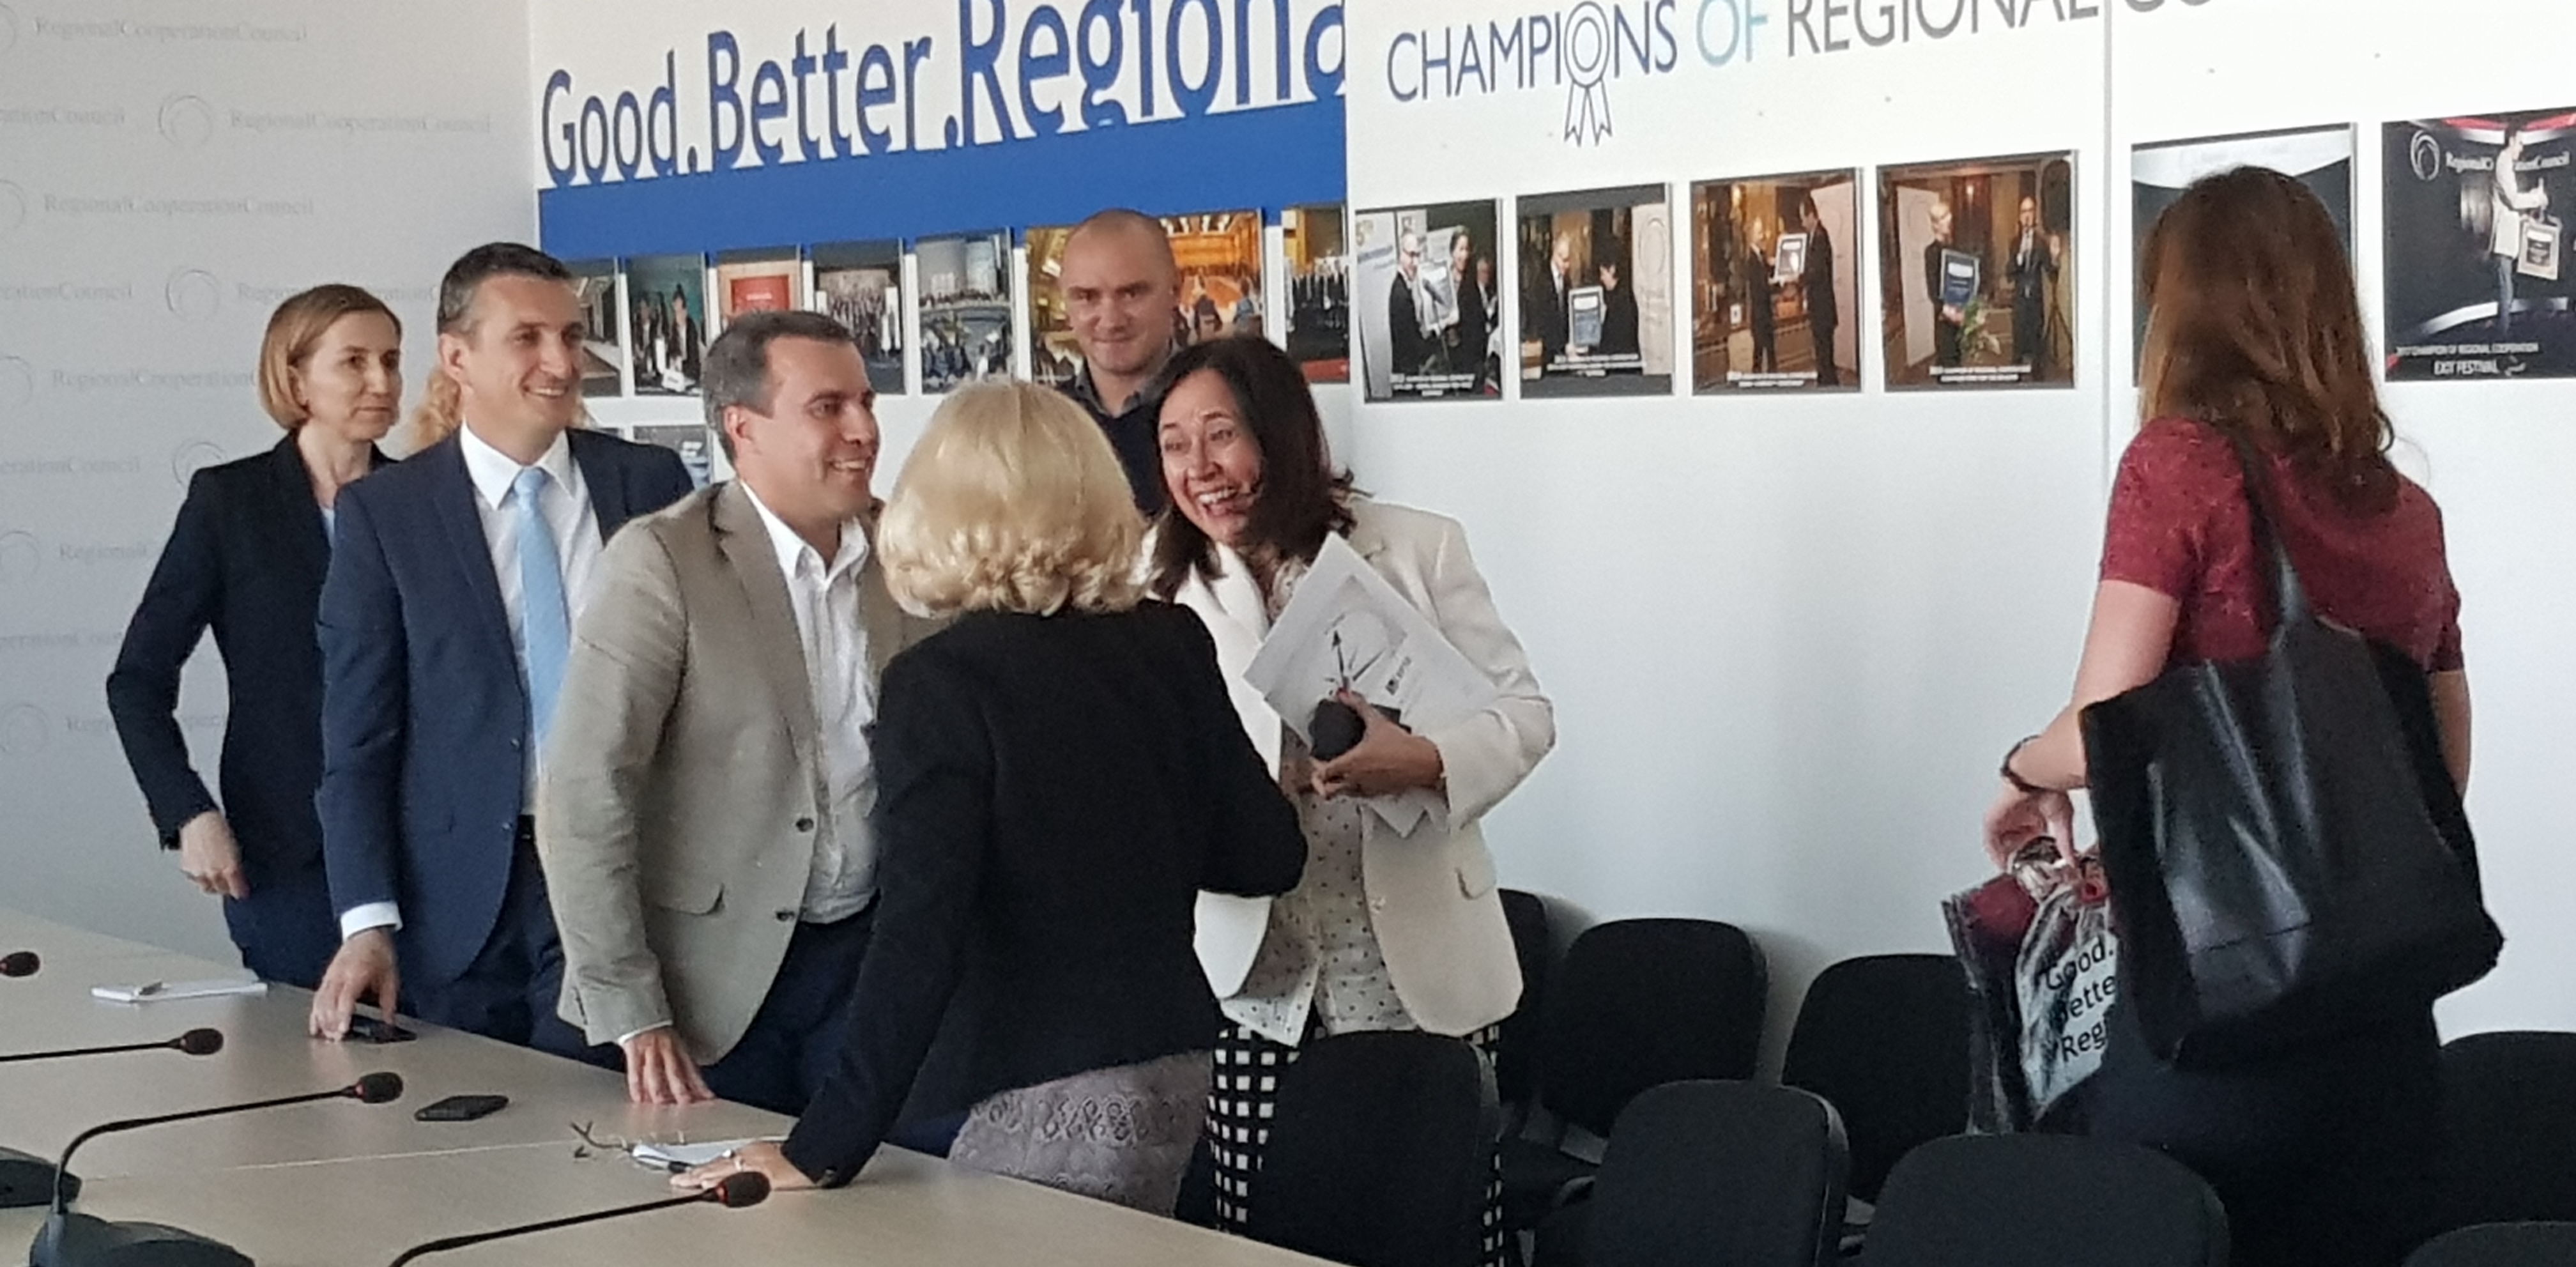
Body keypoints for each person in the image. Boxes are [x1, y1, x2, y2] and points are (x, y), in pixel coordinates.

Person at [1982, 167, 2468, 1267]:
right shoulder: (2407, 511)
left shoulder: (2180, 466)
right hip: (2384, 1040)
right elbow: (2444, 764)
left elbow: (2106, 719)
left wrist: (2021, 767)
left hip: (2219, 1018)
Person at [675, 381, 1303, 1213]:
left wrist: (817, 1148)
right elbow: (1266, 854)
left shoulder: (942, 683)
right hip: (1176, 1067)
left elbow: (917, 934)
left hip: (1022, 1084)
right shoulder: (1170, 640)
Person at [1148, 335, 1554, 1267]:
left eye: (1223, 435)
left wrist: (1425, 759)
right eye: (1175, 444)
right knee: (1264, 1237)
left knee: (1436, 1228)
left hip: (1412, 959)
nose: (1201, 469)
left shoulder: (1414, 545)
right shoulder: (1153, 583)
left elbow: (1525, 714)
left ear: (1284, 435)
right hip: (1255, 975)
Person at [537, 312, 937, 1111]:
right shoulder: (664, 562)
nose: (863, 430)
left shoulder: (912, 551)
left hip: (870, 962)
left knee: (881, 1220)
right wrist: (628, 1006)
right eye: (828, 408)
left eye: (865, 401)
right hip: (705, 991)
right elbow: (586, 789)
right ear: (743, 428)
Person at [307, 243, 693, 1052]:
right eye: (528, 338)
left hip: (619, 872)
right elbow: (358, 740)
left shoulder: (650, 484)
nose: (561, 361)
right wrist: (367, 920)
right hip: (457, 899)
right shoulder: (388, 516)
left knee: (599, 1126)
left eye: (571, 334)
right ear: (457, 357)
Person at [105, 285, 403, 991]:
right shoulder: (230, 502)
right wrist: (187, 812)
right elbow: (137, 682)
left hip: (419, 845)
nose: (382, 382)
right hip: (284, 846)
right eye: (354, 362)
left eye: (392, 360)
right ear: (294, 378)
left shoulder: (422, 501)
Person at [1057, 208, 1182, 514]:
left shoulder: (1234, 412)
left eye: (1131, 294)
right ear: (1065, 303)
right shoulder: (1041, 429)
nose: (1111, 320)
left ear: (1176, 291)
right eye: (1087, 297)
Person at [2488, 128, 2548, 335]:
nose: (2522, 149)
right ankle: (2502, 344)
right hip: (2503, 243)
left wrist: (2524, 217)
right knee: (2506, 293)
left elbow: (2507, 206)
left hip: (2508, 240)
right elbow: (2513, 200)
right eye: (2521, 143)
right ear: (2512, 140)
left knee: (2508, 293)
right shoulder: (2504, 163)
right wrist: (2536, 197)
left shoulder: (2506, 164)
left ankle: (2503, 341)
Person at [2008, 196, 2058, 376]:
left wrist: (2054, 257)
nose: (2027, 216)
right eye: (2024, 211)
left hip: (2036, 300)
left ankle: (2038, 380)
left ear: (2035, 215)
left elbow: (2052, 274)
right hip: (2020, 300)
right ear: (2020, 217)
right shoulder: (2014, 243)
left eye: (2030, 211)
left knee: (2037, 344)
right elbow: (2009, 274)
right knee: (2018, 342)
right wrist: (2018, 258)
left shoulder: (2041, 242)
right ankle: (2016, 378)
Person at [1799, 194, 1841, 387]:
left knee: (1825, 353)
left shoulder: (1821, 237)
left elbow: (1816, 272)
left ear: (1811, 216)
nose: (1802, 223)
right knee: (1822, 353)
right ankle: (1825, 384)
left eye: (1803, 218)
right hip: (1818, 308)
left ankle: (1829, 388)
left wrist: (1798, 280)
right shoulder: (1812, 237)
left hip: (1823, 308)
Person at [1386, 231, 1434, 384]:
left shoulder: (1402, 288)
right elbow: (1411, 346)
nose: (1416, 263)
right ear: (1400, 255)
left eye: (1418, 255)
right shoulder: (1401, 295)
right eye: (1411, 255)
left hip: (1405, 374)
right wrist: (1435, 339)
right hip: (1407, 378)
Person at [1446, 231, 1491, 390]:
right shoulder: (1443, 282)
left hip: (1469, 361)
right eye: (1460, 249)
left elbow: (1479, 326)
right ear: (1452, 252)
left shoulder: (1471, 285)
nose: (1464, 255)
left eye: (1467, 250)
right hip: (1447, 361)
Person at [1926, 197, 1966, 369]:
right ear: (1936, 224)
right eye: (1944, 217)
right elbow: (1933, 292)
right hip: (1944, 321)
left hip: (1958, 318)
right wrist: (1950, 313)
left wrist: (1965, 308)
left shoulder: (1954, 249)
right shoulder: (1931, 253)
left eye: (1949, 216)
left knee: (1957, 363)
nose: (1949, 220)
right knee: (1947, 366)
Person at [1741, 217, 1776, 373]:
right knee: (1759, 356)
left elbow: (1769, 274)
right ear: (1751, 235)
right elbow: (1760, 288)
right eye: (1759, 232)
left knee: (1770, 353)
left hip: (1766, 315)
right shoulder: (1751, 260)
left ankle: (1773, 382)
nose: (1762, 236)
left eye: (1762, 231)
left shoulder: (1762, 255)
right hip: (1759, 316)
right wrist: (1774, 283)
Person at [1595, 253, 1641, 365]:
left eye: (1603, 273)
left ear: (1612, 270)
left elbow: (1614, 338)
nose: (1602, 279)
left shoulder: (1620, 301)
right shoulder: (1625, 295)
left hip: (1621, 365)